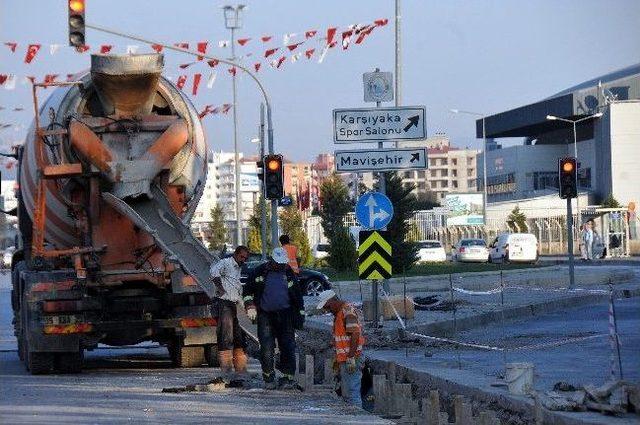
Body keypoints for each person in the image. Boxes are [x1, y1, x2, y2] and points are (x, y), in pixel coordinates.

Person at [243, 247, 305, 389]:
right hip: (265, 315)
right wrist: (250, 305)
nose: (282, 265)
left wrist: (300, 318)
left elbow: (297, 296)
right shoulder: (258, 272)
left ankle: (287, 378)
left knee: (288, 347)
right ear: (272, 261)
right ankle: (269, 378)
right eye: (279, 263)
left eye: (284, 263)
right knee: (266, 348)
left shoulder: (288, 272)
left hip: (285, 315)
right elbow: (247, 291)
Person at [316, 290, 365, 407]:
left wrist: (351, 357)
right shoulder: (339, 313)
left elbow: (355, 334)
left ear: (332, 301)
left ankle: (358, 419)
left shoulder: (347, 311)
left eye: (327, 306)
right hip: (346, 358)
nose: (327, 310)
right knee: (348, 393)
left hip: (352, 357)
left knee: (352, 392)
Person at [210, 245, 250, 375]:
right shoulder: (226, 263)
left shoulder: (238, 267)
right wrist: (220, 288)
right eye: (241, 257)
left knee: (239, 335)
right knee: (226, 335)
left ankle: (241, 370)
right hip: (224, 303)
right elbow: (213, 272)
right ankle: (226, 370)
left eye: (245, 258)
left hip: (235, 303)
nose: (243, 260)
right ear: (236, 254)